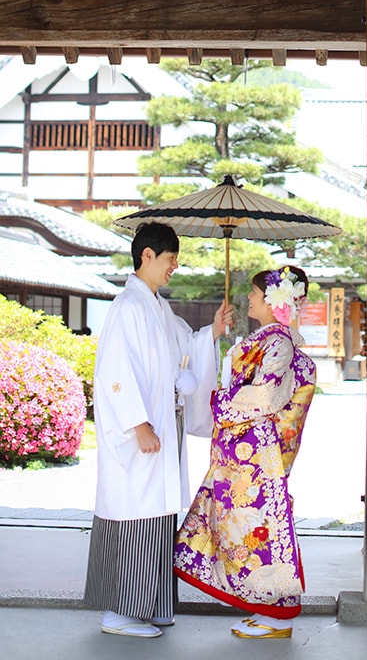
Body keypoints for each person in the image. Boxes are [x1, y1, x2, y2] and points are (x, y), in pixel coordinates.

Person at [84, 220, 234, 638]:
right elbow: (115, 373)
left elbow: (185, 347)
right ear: (147, 256)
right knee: (136, 515)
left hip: (161, 429)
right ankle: (120, 612)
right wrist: (139, 424)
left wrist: (213, 333)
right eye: (170, 259)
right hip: (140, 435)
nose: (174, 267)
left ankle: (152, 604)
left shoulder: (157, 307)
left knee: (159, 516)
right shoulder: (127, 307)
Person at [174, 265, 316, 640]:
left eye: (255, 294)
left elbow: (265, 396)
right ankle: (266, 607)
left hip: (256, 459)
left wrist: (220, 403)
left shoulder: (279, 343)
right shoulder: (271, 339)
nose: (250, 299)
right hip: (245, 456)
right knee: (247, 527)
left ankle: (278, 612)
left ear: (273, 301)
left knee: (261, 528)